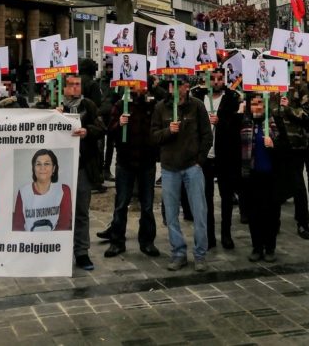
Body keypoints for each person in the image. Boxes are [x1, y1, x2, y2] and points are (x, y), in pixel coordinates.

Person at [151, 76, 212, 272]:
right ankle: (178, 252)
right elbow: (154, 136)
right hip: (170, 168)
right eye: (172, 85)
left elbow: (206, 135)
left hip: (192, 167)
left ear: (187, 87)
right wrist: (168, 131)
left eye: (180, 85)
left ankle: (200, 254)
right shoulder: (161, 107)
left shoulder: (197, 106)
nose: (176, 89)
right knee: (171, 214)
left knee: (199, 212)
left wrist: (199, 160)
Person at [98, 87, 159, 257]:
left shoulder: (151, 105)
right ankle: (117, 241)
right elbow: (110, 131)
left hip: (147, 160)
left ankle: (147, 241)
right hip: (125, 161)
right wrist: (119, 124)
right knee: (121, 203)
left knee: (147, 205)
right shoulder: (120, 105)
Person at [58, 73, 104, 271]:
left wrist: (87, 131)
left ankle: (82, 252)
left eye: (78, 84)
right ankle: (59, 251)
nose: (75, 88)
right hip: (58, 169)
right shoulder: (55, 106)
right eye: (71, 85)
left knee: (82, 211)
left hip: (82, 166)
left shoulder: (89, 106)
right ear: (64, 88)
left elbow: (101, 128)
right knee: (60, 211)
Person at [194, 68, 242, 250]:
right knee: (205, 197)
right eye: (213, 78)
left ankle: (226, 234)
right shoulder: (199, 99)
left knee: (226, 197)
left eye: (219, 79)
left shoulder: (231, 99)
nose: (216, 82)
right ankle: (209, 236)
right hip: (206, 156)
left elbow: (236, 125)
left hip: (225, 155)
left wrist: (221, 121)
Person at [273, 64, 309, 240]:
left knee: (298, 184)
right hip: (274, 144)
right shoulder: (269, 86)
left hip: (295, 144)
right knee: (274, 185)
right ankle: (273, 223)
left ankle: (303, 223)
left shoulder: (299, 86)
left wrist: (289, 108)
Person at [240, 92, 282, 261]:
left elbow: (285, 147)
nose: (256, 107)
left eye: (260, 103)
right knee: (254, 213)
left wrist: (274, 144)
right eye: (253, 104)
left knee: (270, 214)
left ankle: (270, 247)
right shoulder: (245, 123)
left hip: (270, 175)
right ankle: (257, 246)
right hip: (252, 174)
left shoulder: (273, 122)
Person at [12, 149, 73, 231]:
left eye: (47, 164)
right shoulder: (23, 192)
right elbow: (17, 226)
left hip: (55, 242)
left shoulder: (63, 190)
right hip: (29, 242)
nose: (42, 168)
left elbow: (64, 225)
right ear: (33, 168)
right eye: (38, 164)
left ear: (54, 168)